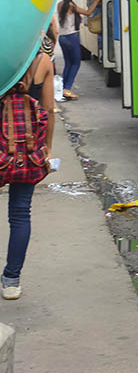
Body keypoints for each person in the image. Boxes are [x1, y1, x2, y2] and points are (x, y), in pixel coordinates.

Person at [0, 52, 52, 300]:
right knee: (20, 213)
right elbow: (49, 109)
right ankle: (11, 280)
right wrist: (47, 149)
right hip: (28, 154)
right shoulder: (41, 61)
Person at [56, 0, 102, 100]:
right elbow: (88, 12)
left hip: (62, 37)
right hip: (71, 37)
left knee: (68, 63)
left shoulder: (60, 4)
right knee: (76, 63)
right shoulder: (71, 5)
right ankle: (67, 88)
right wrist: (97, 0)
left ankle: (63, 88)